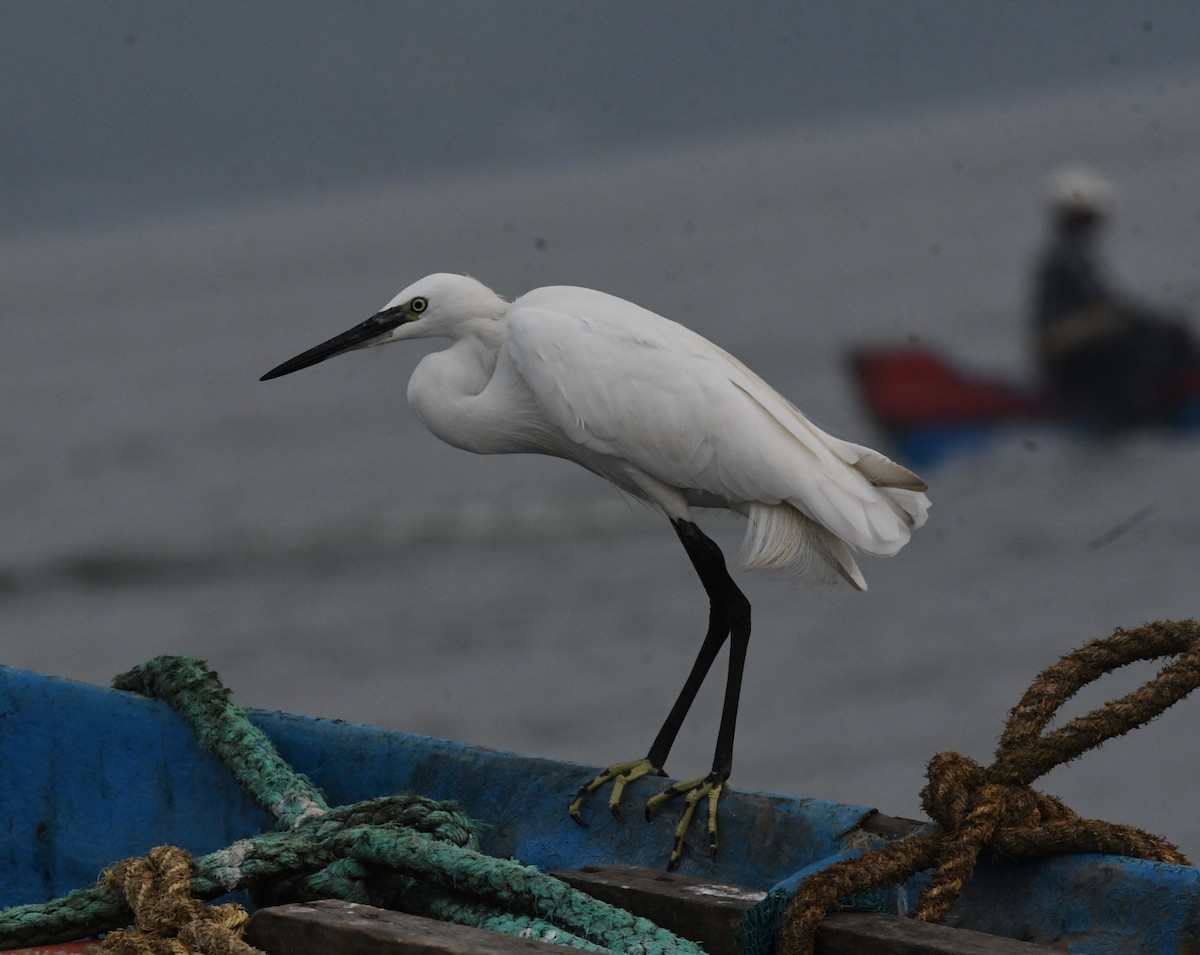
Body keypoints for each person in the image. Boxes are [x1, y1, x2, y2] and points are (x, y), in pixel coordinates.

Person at [1031, 163, 1197, 428]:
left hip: (1071, 354)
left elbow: (1106, 307)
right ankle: (1145, 411)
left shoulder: (1067, 254)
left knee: (1159, 334)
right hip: (1076, 358)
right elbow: (1102, 308)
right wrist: (1150, 323)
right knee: (1159, 339)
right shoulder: (1069, 257)